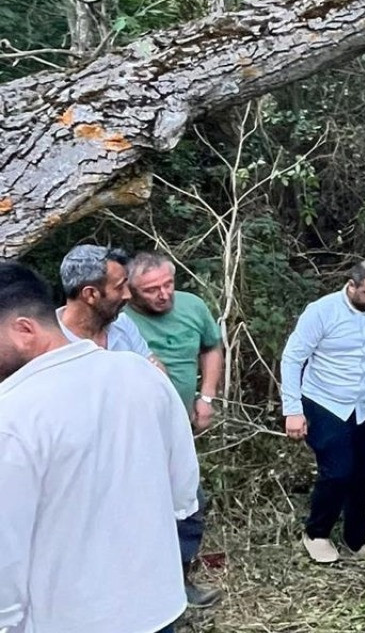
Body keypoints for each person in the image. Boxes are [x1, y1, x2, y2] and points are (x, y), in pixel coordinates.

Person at [0, 262, 199, 633]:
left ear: (24, 330)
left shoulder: (11, 415)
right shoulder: (141, 373)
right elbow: (184, 494)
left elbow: (4, 551)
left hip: (69, 620)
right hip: (156, 606)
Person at [280, 260, 365, 564]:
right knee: (338, 471)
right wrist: (293, 410)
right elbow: (292, 359)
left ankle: (356, 538)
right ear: (351, 286)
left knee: (362, 475)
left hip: (363, 405)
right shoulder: (322, 312)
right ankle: (317, 533)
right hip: (324, 401)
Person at [125, 251, 224, 608]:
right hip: (133, 434)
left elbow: (212, 347)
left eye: (168, 284)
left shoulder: (193, 306)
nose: (164, 294)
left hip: (178, 428)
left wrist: (207, 397)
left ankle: (180, 581)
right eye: (152, 289)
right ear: (130, 291)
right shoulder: (120, 320)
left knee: (188, 502)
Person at [57, 244, 163, 369]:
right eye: (119, 288)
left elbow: (155, 370)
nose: (128, 295)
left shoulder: (122, 324)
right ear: (90, 294)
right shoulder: (51, 341)